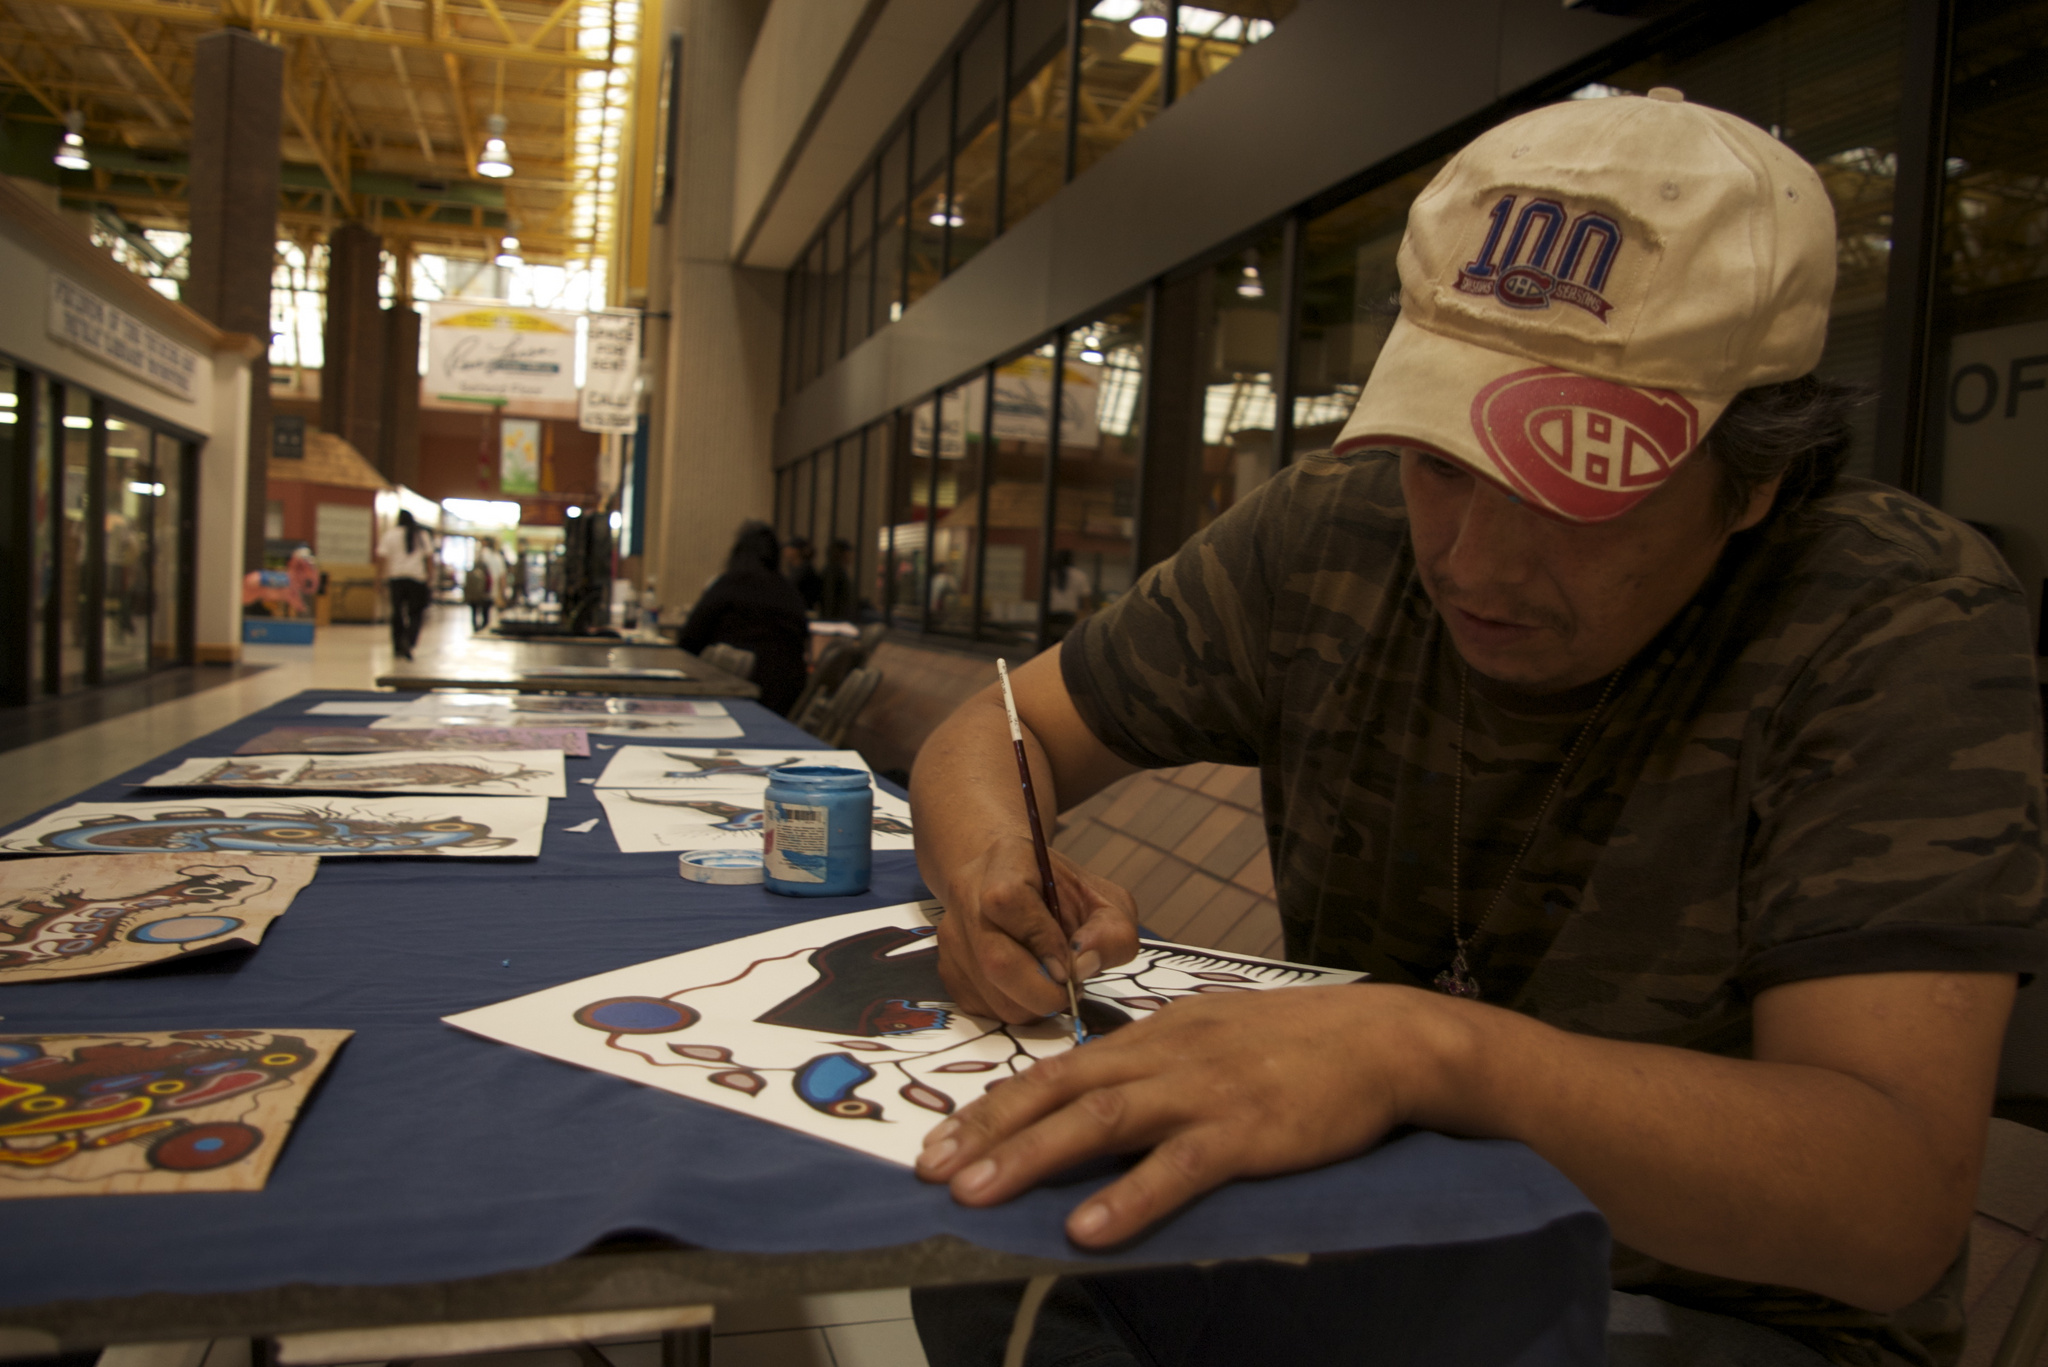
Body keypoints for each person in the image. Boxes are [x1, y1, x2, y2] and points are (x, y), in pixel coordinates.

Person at [907, 90, 2047, 1367]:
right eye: (1443, 460)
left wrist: (1428, 1050)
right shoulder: (1334, 527)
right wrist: (993, 868)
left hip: (1719, 1304)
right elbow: (1002, 724)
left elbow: (1886, 1201)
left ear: (1757, 477)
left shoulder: (1890, 611)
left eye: (1575, 483)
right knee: (981, 1257)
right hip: (1373, 1230)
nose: (1473, 560)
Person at [678, 521, 811, 715]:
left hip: (734, 695)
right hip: (786, 700)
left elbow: (689, 639)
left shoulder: (728, 585)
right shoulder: (789, 591)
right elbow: (803, 640)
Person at [376, 509, 437, 661]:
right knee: (415, 614)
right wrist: (430, 577)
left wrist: (379, 579)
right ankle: (409, 640)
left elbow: (382, 558)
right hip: (417, 579)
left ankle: (398, 646)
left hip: (396, 579)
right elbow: (429, 558)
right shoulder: (422, 535)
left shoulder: (390, 534)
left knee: (397, 613)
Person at [1042, 548, 1091, 641]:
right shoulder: (1079, 575)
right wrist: (1086, 618)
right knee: (1065, 642)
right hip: (1068, 617)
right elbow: (1085, 600)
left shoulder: (1049, 574)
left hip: (1049, 615)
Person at [817, 537, 857, 621]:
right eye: (849, 552)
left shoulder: (834, 571)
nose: (852, 556)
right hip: (837, 619)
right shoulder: (834, 572)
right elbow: (829, 598)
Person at [784, 534, 823, 612]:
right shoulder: (798, 568)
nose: (785, 551)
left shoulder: (804, 570)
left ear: (796, 551)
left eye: (789, 548)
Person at [463, 553, 494, 632]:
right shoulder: (486, 574)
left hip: (473, 597)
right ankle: (484, 628)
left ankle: (475, 628)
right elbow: (489, 584)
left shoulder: (472, 572)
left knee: (474, 613)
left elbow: (467, 585)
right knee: (485, 614)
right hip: (483, 596)